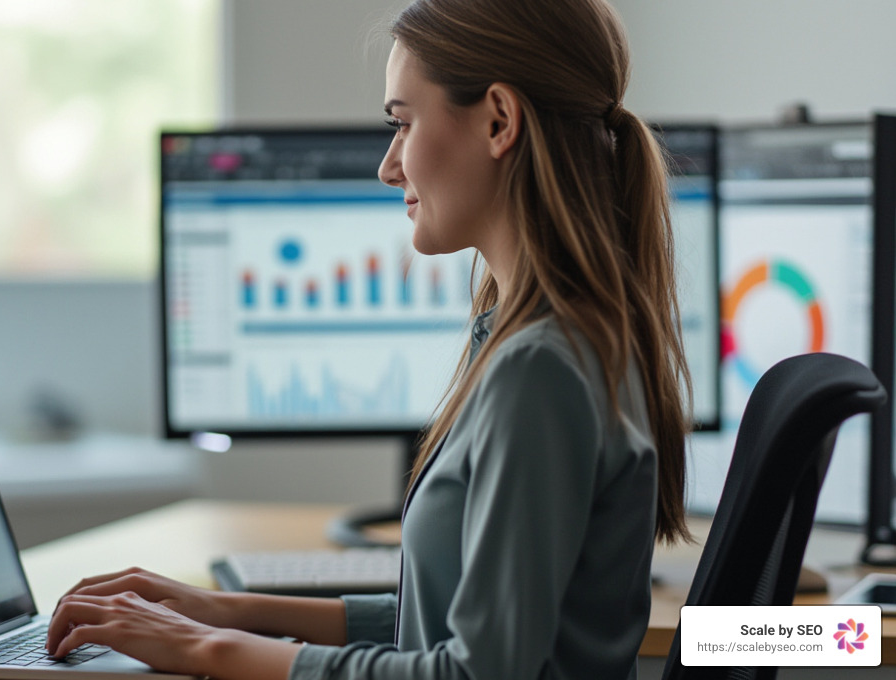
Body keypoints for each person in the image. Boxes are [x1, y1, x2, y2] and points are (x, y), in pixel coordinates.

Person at [44, 0, 692, 677]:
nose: (388, 166)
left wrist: (208, 650)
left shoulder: (540, 368)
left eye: (402, 123)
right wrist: (227, 611)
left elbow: (478, 672)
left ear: (499, 121)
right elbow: (440, 622)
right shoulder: (547, 337)